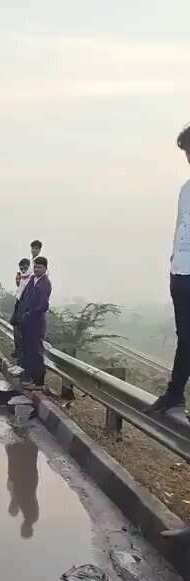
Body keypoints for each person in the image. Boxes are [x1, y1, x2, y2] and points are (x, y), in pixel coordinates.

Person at [149, 124, 190, 413]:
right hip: (181, 274)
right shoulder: (185, 190)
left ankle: (176, 391)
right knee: (185, 337)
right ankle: (175, 393)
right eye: (187, 152)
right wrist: (173, 267)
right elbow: (179, 228)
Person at [18, 255, 52, 389]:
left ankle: (39, 382)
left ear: (45, 268)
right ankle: (29, 378)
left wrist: (30, 313)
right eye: (35, 267)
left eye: (40, 267)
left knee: (36, 352)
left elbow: (43, 306)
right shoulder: (33, 279)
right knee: (28, 350)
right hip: (27, 321)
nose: (37, 269)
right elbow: (25, 296)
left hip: (37, 323)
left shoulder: (45, 283)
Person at [10, 258, 32, 364]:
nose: (23, 270)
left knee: (22, 340)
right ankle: (19, 358)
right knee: (17, 337)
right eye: (21, 268)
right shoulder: (22, 283)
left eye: (25, 268)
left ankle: (22, 361)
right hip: (18, 315)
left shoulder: (30, 282)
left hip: (24, 316)